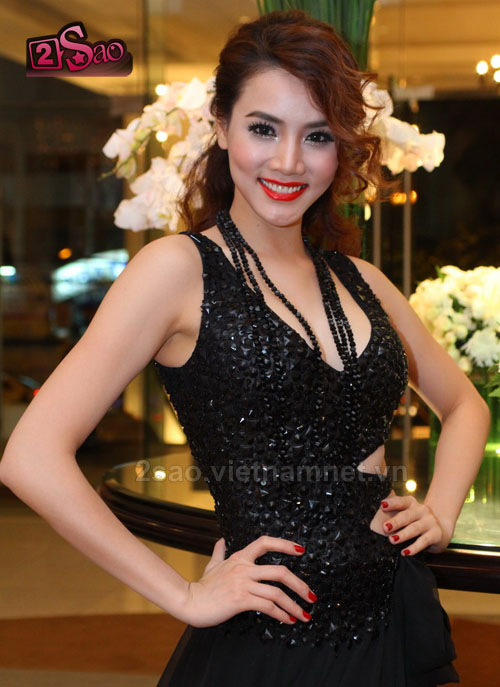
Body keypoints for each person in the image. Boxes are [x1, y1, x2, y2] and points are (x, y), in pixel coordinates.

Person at [0, 9, 490, 687]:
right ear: (222, 125)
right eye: (264, 128)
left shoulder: (364, 280)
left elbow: (465, 405)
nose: (289, 161)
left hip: (395, 628)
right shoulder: (177, 270)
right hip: (270, 645)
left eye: (316, 135)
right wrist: (183, 595)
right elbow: (30, 456)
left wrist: (440, 509)